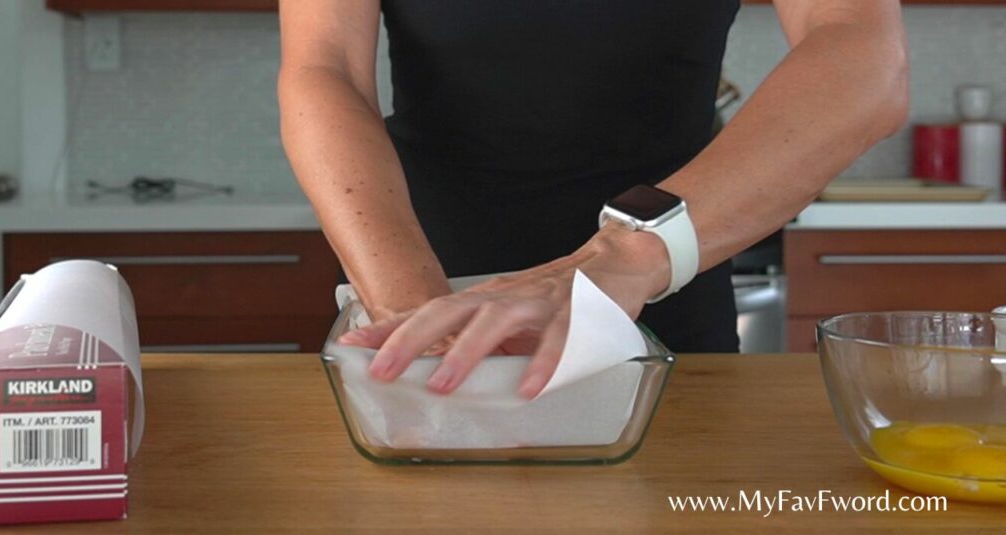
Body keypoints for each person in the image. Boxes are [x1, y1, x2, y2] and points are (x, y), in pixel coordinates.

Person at [278, 1, 908, 397]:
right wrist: (412, 310)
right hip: (417, 283)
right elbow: (324, 67)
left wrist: (628, 258)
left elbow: (866, 56)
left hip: (661, 301)